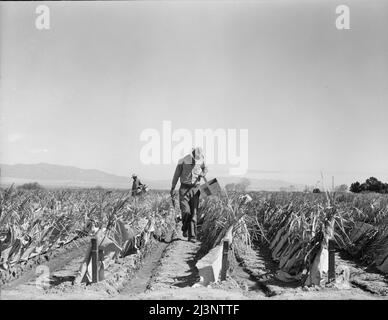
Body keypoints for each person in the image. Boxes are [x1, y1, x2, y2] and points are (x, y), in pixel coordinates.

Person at [170, 147, 207, 242]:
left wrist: (203, 173)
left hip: (196, 189)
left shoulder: (201, 159)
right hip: (184, 189)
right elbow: (176, 175)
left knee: (194, 214)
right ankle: (185, 227)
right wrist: (173, 187)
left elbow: (205, 168)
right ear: (192, 154)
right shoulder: (183, 160)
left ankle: (192, 236)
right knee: (186, 212)